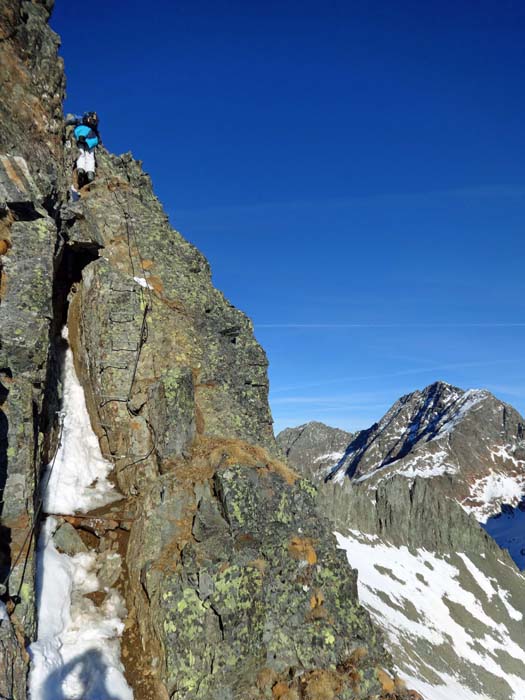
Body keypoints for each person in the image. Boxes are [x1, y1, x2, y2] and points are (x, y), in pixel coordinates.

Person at [66, 112, 101, 190]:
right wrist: (99, 142)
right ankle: (90, 173)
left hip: (81, 135)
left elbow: (72, 120)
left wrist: (65, 123)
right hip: (92, 139)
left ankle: (81, 170)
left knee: (81, 154)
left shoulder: (81, 119)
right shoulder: (94, 129)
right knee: (90, 156)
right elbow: (98, 137)